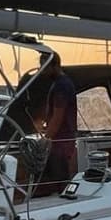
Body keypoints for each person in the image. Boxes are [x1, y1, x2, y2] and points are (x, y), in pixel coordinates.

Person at [34, 52, 77, 196]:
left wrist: (45, 140)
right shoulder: (58, 84)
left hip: (61, 143)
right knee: (57, 181)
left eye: (44, 67)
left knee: (59, 182)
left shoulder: (62, 86)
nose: (42, 70)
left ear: (54, 66)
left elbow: (58, 117)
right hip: (61, 141)